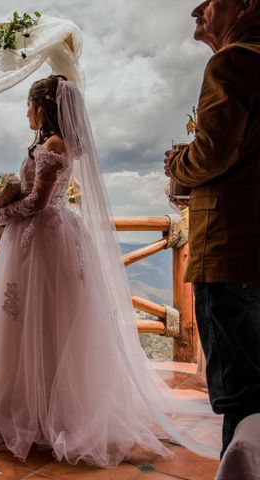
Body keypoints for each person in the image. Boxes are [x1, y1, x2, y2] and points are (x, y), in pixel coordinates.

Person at [0, 75, 220, 466]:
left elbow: (38, 201)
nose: (25, 111)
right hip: (34, 239)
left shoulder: (54, 144)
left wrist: (4, 210)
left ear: (44, 108)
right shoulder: (42, 143)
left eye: (29, 105)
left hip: (46, 238)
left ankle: (50, 411)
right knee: (22, 321)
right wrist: (9, 192)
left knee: (48, 320)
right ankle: (20, 405)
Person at [165, 0, 260, 457]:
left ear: (246, 6)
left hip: (232, 248)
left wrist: (178, 164)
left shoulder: (234, 60)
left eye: (208, 1)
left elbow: (212, 155)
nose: (196, 11)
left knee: (241, 394)